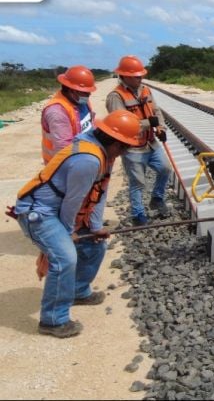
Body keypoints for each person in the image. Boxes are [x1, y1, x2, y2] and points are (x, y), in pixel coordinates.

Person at [15, 110, 143, 338]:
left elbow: (99, 192)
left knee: (95, 245)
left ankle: (77, 291)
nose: (125, 152)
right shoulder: (88, 159)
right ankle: (53, 320)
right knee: (65, 258)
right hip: (39, 213)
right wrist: (68, 232)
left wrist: (94, 228)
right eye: (124, 147)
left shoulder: (103, 153)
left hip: (57, 210)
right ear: (114, 141)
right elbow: (71, 202)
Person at [106, 55, 171, 226]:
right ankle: (138, 215)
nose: (140, 78)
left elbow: (156, 111)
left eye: (140, 75)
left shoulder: (145, 90)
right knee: (137, 183)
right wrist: (147, 123)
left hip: (151, 142)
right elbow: (120, 125)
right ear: (124, 76)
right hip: (132, 147)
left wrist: (161, 127)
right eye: (136, 76)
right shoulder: (116, 97)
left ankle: (157, 198)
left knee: (165, 169)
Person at [41, 65, 97, 164]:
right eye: (85, 92)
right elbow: (64, 148)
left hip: (84, 156)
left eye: (89, 92)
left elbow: (89, 124)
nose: (89, 95)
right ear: (72, 90)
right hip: (63, 165)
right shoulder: (57, 111)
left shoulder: (81, 101)